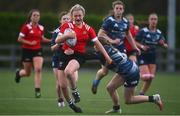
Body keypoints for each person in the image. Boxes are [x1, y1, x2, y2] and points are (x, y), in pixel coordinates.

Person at [55, 4, 112, 113]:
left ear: (83, 15)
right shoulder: (67, 26)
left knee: (68, 72)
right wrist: (68, 36)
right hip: (64, 54)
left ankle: (75, 91)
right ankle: (72, 105)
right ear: (72, 16)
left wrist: (107, 57)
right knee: (62, 85)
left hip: (78, 56)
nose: (77, 18)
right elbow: (58, 40)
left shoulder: (88, 29)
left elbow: (98, 43)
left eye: (79, 15)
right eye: (75, 15)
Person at [95, 38, 163, 114]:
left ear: (99, 45)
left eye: (95, 44)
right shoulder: (108, 48)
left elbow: (93, 57)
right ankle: (116, 108)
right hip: (126, 71)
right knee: (110, 88)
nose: (94, 46)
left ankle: (154, 98)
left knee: (129, 100)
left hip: (131, 72)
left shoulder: (103, 52)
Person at [91, 0, 140, 94]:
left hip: (120, 48)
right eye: (117, 8)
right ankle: (96, 80)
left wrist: (135, 47)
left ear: (123, 10)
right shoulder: (109, 21)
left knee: (127, 65)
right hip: (107, 48)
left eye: (120, 8)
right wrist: (112, 41)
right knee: (104, 72)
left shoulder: (125, 21)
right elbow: (100, 35)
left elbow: (128, 34)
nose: (118, 10)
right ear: (114, 10)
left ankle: (128, 86)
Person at [15, 9, 50, 98]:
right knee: (27, 73)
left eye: (38, 15)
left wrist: (52, 40)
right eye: (34, 15)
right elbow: (19, 39)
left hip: (37, 50)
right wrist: (29, 43)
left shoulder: (41, 27)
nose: (36, 17)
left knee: (38, 69)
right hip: (27, 51)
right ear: (30, 17)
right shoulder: (26, 27)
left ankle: (37, 91)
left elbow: (41, 38)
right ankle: (19, 73)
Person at [135, 13, 168, 95]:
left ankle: (141, 94)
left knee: (150, 77)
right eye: (152, 19)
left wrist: (163, 44)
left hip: (152, 56)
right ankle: (136, 74)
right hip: (142, 55)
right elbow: (134, 41)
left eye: (155, 19)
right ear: (149, 20)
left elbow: (164, 43)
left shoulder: (159, 33)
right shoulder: (143, 31)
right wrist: (142, 46)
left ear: (157, 21)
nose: (153, 21)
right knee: (146, 77)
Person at [51, 11, 71, 107]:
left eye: (68, 18)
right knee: (59, 82)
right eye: (64, 19)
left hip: (68, 58)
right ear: (60, 21)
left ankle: (70, 98)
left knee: (69, 80)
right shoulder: (56, 32)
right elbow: (52, 48)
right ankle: (60, 99)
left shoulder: (72, 29)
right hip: (57, 59)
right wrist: (59, 43)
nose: (66, 20)